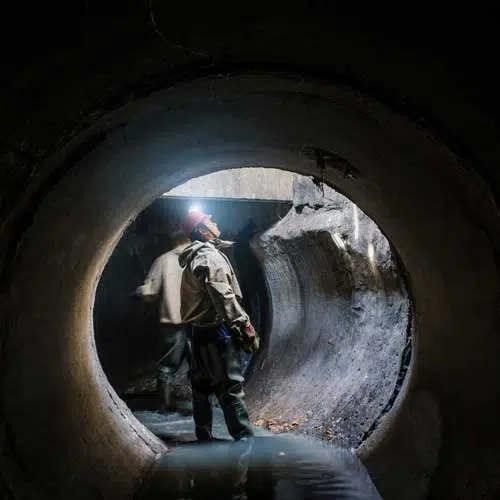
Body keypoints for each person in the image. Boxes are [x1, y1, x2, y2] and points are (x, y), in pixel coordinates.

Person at [178, 210, 259, 441]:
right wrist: (244, 326)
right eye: (209, 221)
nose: (215, 222)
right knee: (231, 388)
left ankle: (204, 440)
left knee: (201, 388)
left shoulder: (197, 256)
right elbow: (223, 296)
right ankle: (246, 443)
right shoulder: (208, 257)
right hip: (216, 333)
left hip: (197, 332)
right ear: (203, 231)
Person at [135, 231, 192, 412]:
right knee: (201, 364)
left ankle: (165, 406)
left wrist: (138, 292)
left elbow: (150, 292)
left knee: (167, 366)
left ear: (172, 242)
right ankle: (202, 407)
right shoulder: (200, 257)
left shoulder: (163, 260)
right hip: (199, 322)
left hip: (172, 322)